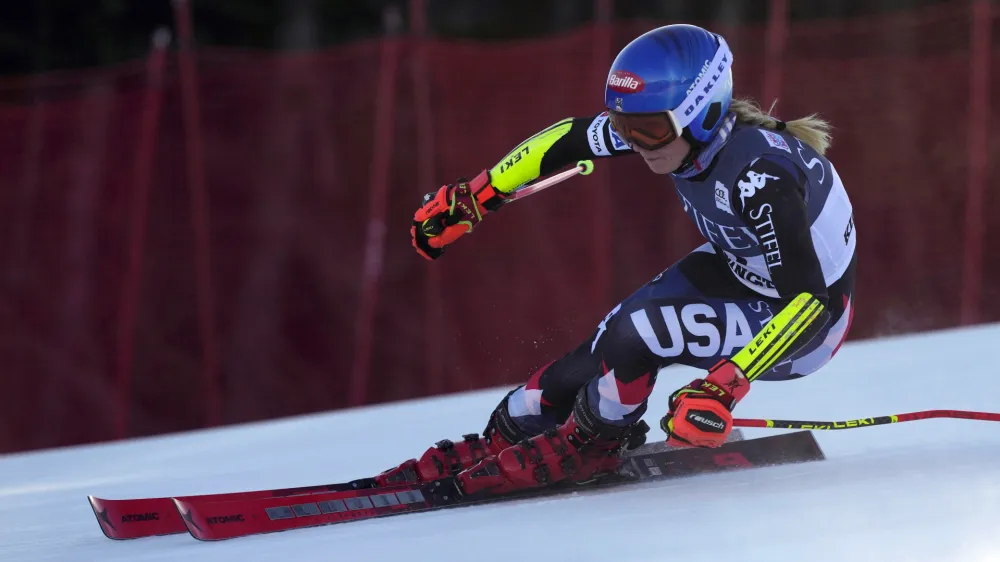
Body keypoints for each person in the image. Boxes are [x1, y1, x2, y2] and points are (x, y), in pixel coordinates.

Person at [382, 23, 857, 496]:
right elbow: (568, 139)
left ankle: (595, 443)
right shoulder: (674, 134)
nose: (633, 142)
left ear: (704, 114)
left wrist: (723, 387)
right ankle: (509, 434)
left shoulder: (760, 177)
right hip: (742, 272)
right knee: (601, 347)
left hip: (807, 325)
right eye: (622, 126)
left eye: (647, 130)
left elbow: (809, 302)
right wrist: (479, 195)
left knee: (642, 333)